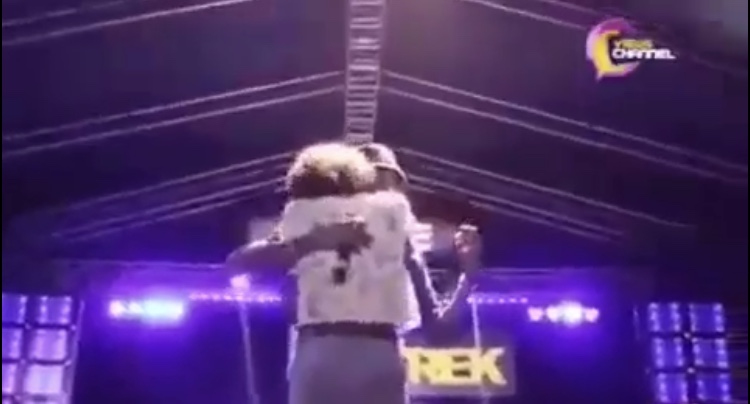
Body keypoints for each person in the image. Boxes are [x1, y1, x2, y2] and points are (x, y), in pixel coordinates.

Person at [226, 143, 483, 404]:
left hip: (366, 358)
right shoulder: (314, 223)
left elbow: (439, 333)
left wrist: (468, 274)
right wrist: (316, 241)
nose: (379, 193)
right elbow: (240, 263)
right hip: (333, 354)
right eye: (373, 181)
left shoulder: (400, 245)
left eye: (387, 184)